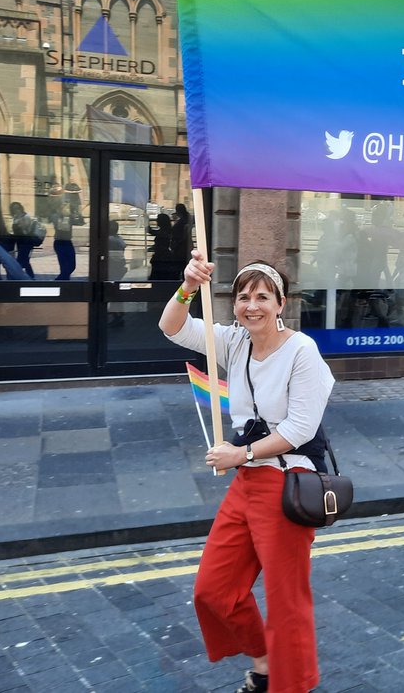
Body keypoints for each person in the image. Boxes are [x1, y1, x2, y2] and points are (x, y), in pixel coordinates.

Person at [160, 253, 334, 693]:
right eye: (242, 297)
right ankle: (265, 663)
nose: (251, 305)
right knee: (212, 591)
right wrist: (188, 286)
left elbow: (299, 429)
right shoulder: (234, 341)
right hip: (248, 481)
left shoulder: (302, 351)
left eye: (262, 296)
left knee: (285, 602)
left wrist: (240, 454)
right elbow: (174, 327)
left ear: (281, 303)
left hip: (288, 481)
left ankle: (286, 685)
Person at [9, 201, 39, 279]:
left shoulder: (25, 216)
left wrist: (20, 222)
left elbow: (26, 229)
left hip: (26, 241)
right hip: (19, 242)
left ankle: (18, 276)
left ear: (20, 208)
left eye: (17, 208)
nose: (16, 210)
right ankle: (31, 276)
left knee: (22, 260)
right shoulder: (15, 217)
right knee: (25, 260)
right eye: (14, 209)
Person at [147, 213, 175, 280]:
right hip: (162, 256)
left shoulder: (163, 233)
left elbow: (152, 232)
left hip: (161, 257)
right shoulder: (166, 231)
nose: (156, 221)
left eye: (158, 220)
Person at [169, 203, 194, 277]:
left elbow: (180, 235)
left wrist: (175, 245)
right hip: (185, 247)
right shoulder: (187, 219)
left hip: (180, 248)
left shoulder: (182, 222)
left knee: (179, 268)